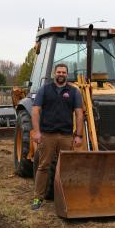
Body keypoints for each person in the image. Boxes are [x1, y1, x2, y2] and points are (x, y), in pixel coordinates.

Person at [31, 63, 83, 210]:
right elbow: (35, 111)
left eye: (64, 72)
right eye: (59, 72)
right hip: (47, 135)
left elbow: (79, 113)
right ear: (55, 74)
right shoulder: (44, 90)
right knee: (43, 166)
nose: (61, 74)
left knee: (66, 168)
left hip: (66, 136)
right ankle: (37, 198)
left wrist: (78, 135)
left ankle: (66, 198)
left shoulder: (74, 92)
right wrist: (36, 132)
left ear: (67, 74)